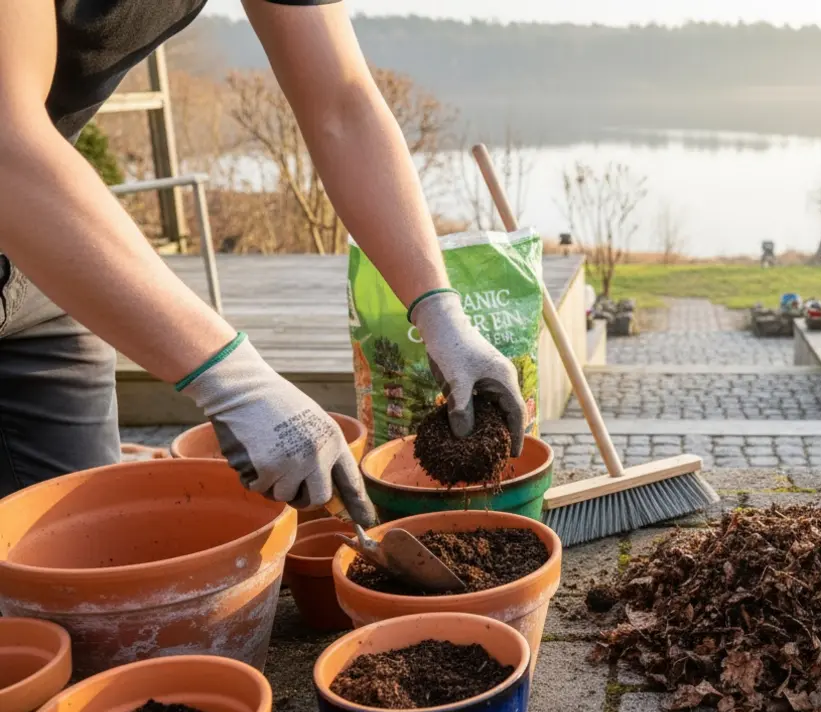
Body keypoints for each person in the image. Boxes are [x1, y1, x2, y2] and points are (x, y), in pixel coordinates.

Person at [0, 0, 526, 524]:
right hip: (29, 200)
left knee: (77, 547)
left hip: (46, 258)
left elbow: (341, 103)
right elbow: (8, 143)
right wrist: (235, 379)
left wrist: (439, 311)